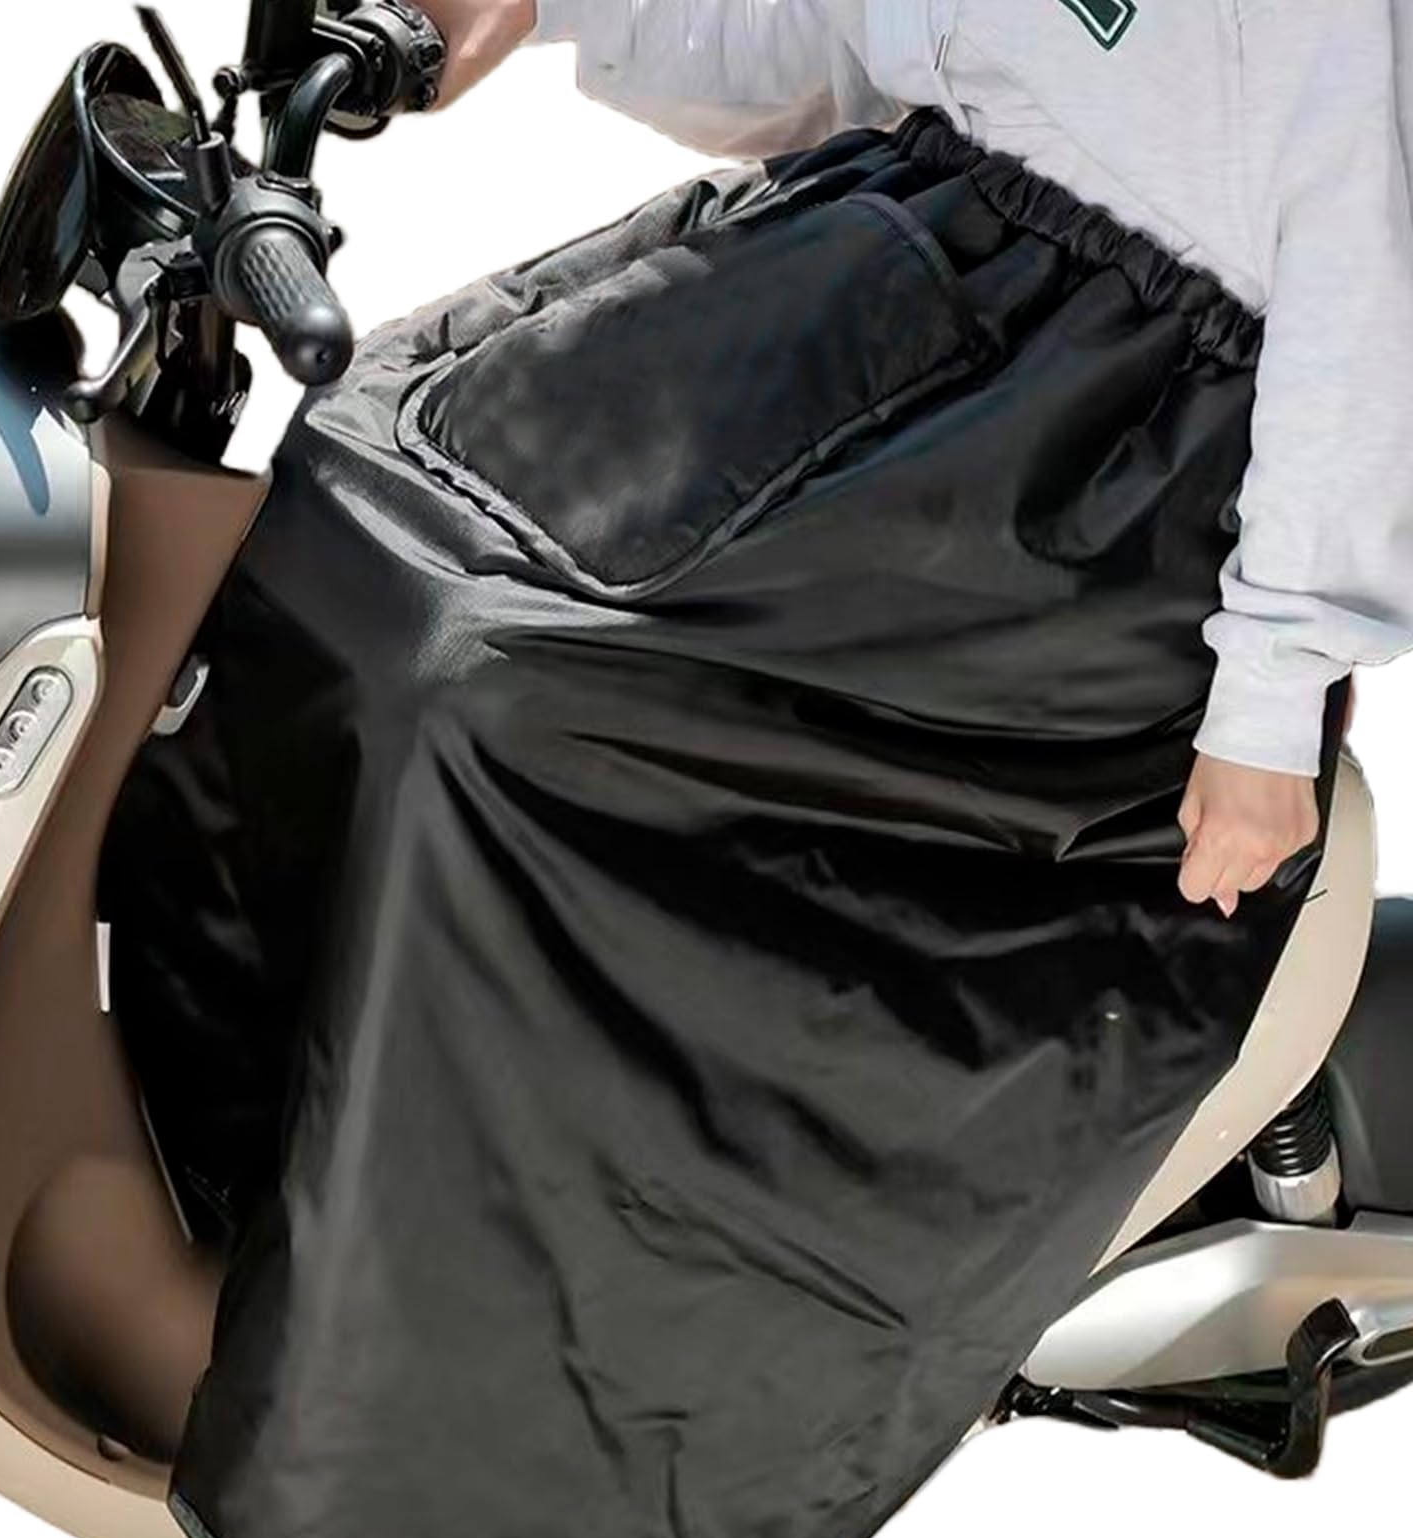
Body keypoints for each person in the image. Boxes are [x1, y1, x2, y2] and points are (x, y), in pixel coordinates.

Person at [410, 0, 1413, 919]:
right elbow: (835, 37)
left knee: (488, 691)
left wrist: (1270, 700)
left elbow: (1360, 309)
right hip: (921, 272)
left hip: (1105, 461)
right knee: (390, 477)